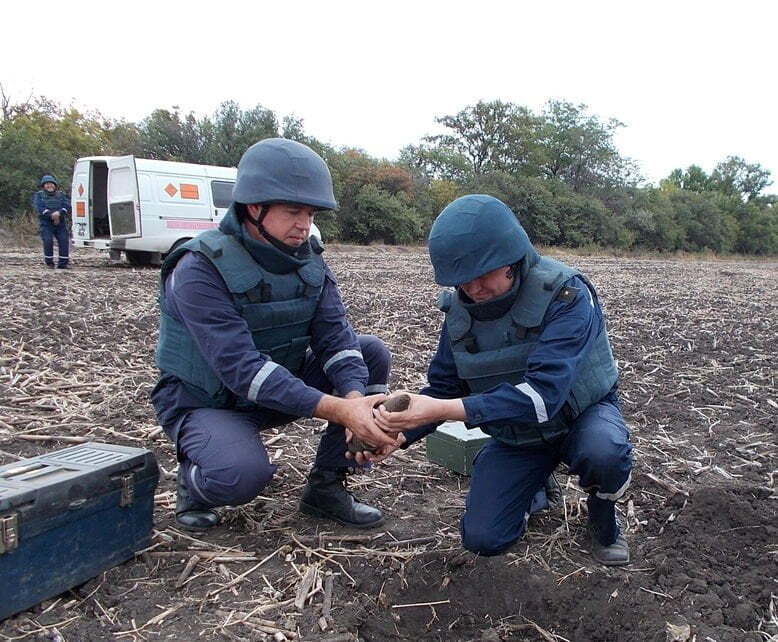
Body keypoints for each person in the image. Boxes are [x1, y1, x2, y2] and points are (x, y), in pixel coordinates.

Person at [372, 194, 633, 566]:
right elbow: (444, 388)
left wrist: (439, 410)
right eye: (463, 280)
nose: (474, 288)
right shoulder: (460, 313)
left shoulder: (566, 295)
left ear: (511, 258)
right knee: (483, 538)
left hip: (581, 415)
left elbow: (544, 396)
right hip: (519, 434)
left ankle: (604, 518)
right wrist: (398, 435)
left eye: (483, 274)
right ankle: (534, 486)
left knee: (603, 453)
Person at [151, 138, 396, 532]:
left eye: (311, 213)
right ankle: (194, 483)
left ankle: (326, 488)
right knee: (239, 477)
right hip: (207, 401)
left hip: (275, 389)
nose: (304, 224)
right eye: (293, 211)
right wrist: (341, 410)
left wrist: (355, 401)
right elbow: (241, 369)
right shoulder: (199, 267)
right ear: (254, 207)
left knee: (369, 354)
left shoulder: (310, 261)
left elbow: (336, 338)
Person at [33, 175, 71, 269]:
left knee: (64, 241)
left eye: (51, 184)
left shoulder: (61, 195)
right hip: (46, 223)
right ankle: (49, 263)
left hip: (61, 223)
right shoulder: (39, 195)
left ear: (55, 185)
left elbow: (67, 205)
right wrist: (51, 215)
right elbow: (39, 207)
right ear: (43, 186)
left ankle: (63, 264)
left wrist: (59, 213)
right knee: (48, 241)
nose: (49, 186)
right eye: (47, 184)